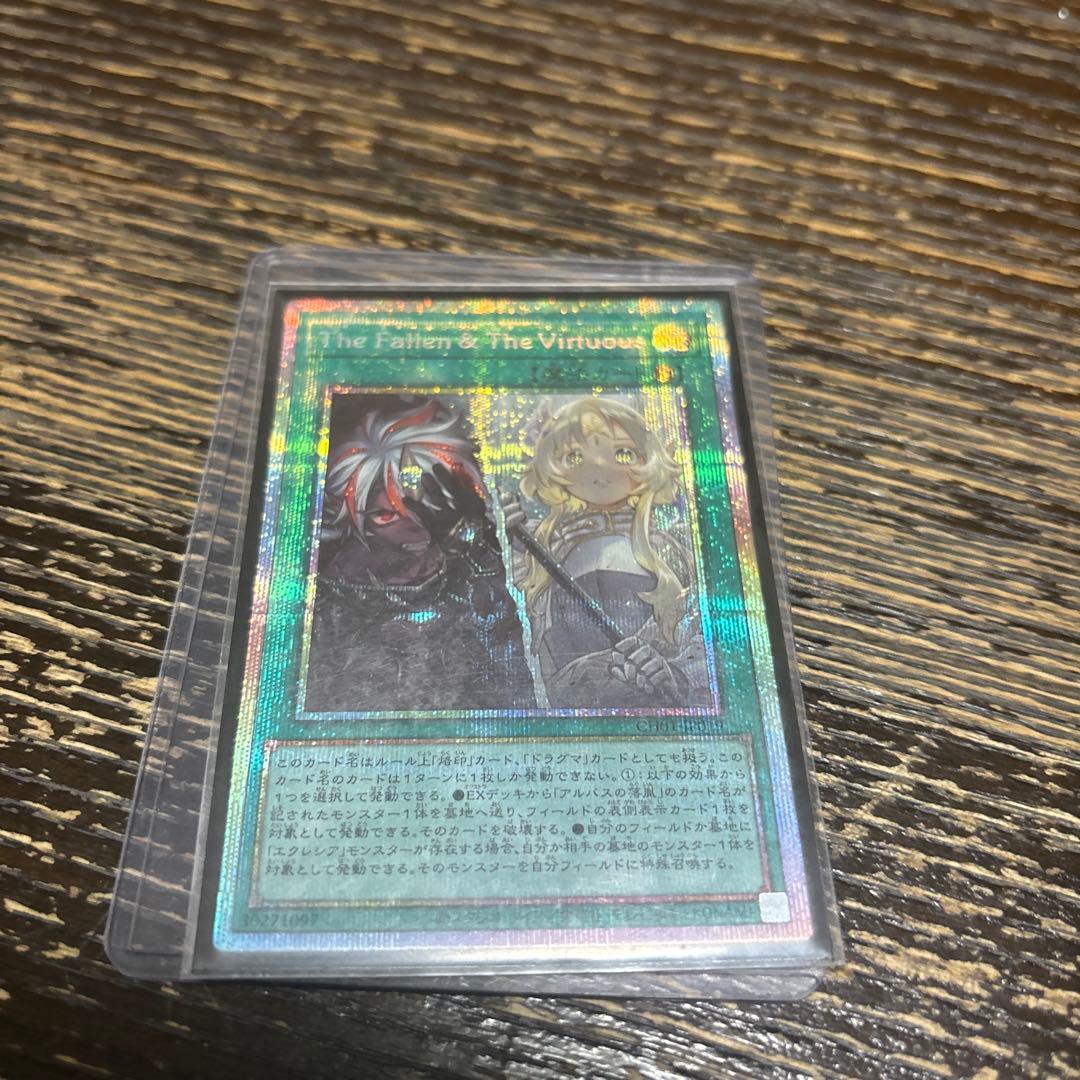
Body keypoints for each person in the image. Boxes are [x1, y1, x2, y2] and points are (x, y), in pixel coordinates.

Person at [306, 397, 536, 713]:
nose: (418, 530)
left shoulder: (477, 572)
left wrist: (488, 552)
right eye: (386, 515)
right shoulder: (326, 607)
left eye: (431, 510)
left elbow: (515, 685)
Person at [502, 397, 711, 709]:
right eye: (575, 456)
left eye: (622, 453)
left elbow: (710, 632)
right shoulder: (541, 549)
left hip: (659, 707)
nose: (598, 468)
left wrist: (677, 675)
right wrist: (500, 530)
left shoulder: (673, 548)